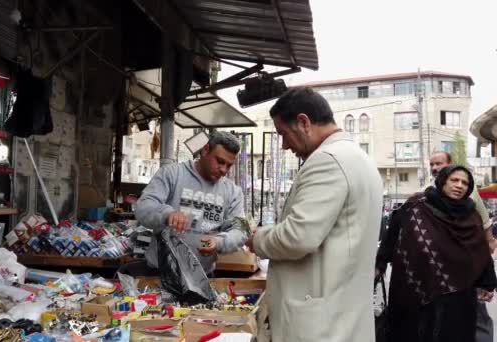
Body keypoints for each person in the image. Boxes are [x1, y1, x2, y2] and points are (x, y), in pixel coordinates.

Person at [244, 87, 383, 342]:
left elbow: (298, 236)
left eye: (283, 134)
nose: (284, 145)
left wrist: (258, 240)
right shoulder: (356, 157)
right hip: (338, 315)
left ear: (304, 122)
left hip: (320, 325)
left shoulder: (328, 160)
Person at [376, 165, 497, 342]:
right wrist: (380, 263)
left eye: (465, 183)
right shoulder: (416, 207)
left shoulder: (471, 216)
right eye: (454, 180)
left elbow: (480, 249)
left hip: (459, 295)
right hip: (417, 291)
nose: (459, 185)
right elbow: (392, 235)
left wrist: (488, 281)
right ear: (442, 182)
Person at [133, 131, 247, 276]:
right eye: (220, 161)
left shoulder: (232, 191)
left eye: (229, 165)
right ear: (205, 150)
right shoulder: (172, 174)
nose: (224, 170)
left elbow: (241, 230)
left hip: (202, 276)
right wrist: (167, 214)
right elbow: (143, 206)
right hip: (161, 273)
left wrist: (218, 242)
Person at [429, 151, 496, 342]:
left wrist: (489, 246)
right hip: (442, 273)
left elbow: (483, 223)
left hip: (468, 269)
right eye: (432, 164)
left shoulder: (465, 191)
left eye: (439, 163)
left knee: (477, 316)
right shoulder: (429, 193)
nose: (435, 168)